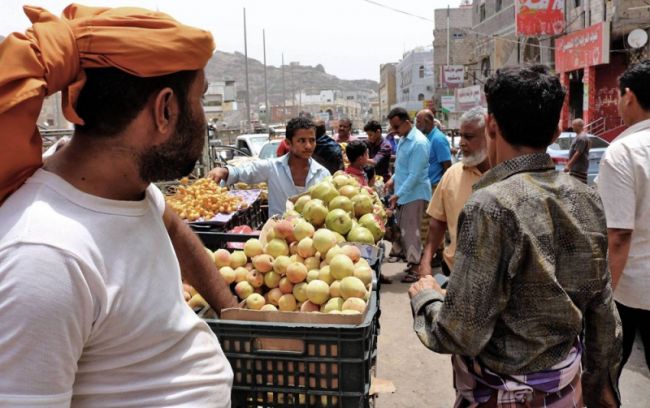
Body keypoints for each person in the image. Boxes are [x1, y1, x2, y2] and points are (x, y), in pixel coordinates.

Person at [0, 5, 234, 405]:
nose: (204, 119)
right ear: (165, 110)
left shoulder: (128, 188)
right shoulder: (45, 259)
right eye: (200, 100)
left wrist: (232, 311)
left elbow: (173, 227)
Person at [409, 65, 622, 407]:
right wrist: (600, 386)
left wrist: (426, 297)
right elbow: (602, 307)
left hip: (502, 395)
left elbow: (460, 332)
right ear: (555, 132)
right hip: (565, 390)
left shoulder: (489, 205)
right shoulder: (585, 195)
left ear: (492, 125)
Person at [598, 60, 650, 376]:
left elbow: (618, 236)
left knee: (605, 380)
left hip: (629, 292)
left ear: (628, 96)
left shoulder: (623, 151)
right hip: (633, 291)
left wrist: (600, 301)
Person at [419, 107, 490, 278]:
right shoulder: (452, 174)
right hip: (454, 272)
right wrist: (426, 261)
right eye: (461, 135)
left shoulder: (506, 176)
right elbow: (437, 222)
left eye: (469, 137)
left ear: (491, 136)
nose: (461, 143)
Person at [208, 117, 330, 217]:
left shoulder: (323, 175)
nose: (308, 146)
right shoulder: (272, 167)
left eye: (312, 140)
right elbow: (243, 172)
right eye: (302, 141)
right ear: (288, 143)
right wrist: (223, 171)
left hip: (310, 241)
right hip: (277, 239)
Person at [384, 108, 432, 282]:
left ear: (406, 122)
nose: (394, 131)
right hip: (404, 193)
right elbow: (403, 168)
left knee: (412, 232)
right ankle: (412, 264)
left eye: (396, 126)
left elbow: (415, 174)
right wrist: (392, 181)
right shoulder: (404, 139)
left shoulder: (419, 143)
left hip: (415, 194)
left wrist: (398, 194)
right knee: (405, 231)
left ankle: (416, 268)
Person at [416, 109, 452, 188]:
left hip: (435, 187)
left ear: (427, 122)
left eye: (419, 122)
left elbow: (447, 166)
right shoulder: (427, 137)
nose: (416, 125)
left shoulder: (438, 139)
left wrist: (442, 187)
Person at [564, 118, 591, 183]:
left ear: (579, 126)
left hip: (578, 168)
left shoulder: (581, 137)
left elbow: (578, 153)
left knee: (579, 186)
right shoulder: (579, 136)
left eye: (574, 125)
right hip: (576, 167)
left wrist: (568, 165)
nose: (572, 127)